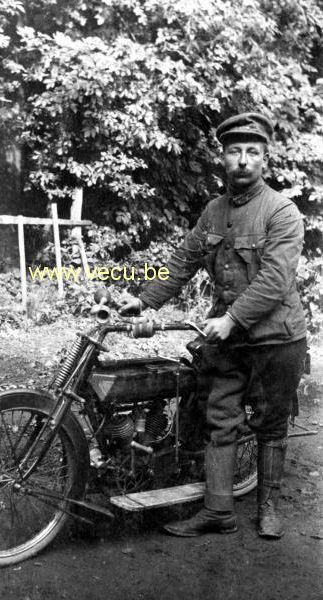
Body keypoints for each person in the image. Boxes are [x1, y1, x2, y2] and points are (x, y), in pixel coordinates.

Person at [119, 112, 307, 539]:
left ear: (264, 160)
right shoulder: (213, 211)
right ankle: (218, 511)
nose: (243, 160)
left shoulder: (282, 212)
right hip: (228, 339)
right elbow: (183, 262)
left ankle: (268, 507)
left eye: (252, 152)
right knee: (220, 418)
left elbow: (275, 281)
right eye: (234, 151)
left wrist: (232, 319)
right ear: (222, 158)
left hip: (277, 338)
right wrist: (143, 300)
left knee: (270, 424)